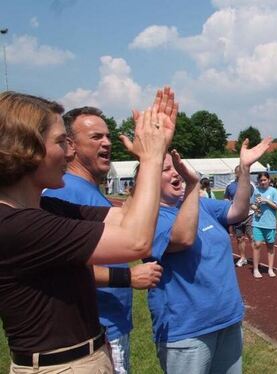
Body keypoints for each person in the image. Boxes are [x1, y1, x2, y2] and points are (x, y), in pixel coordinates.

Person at [0, 91, 173, 372]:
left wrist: (151, 154)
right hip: (62, 367)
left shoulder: (44, 208)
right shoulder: (15, 224)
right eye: (60, 142)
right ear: (27, 149)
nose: (69, 153)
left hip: (81, 358)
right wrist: (153, 159)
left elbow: (127, 216)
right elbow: (137, 241)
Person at [144, 137, 270, 374]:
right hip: (187, 332)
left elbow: (238, 210)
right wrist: (193, 186)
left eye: (177, 166)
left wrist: (244, 170)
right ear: (149, 179)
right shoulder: (150, 217)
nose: (177, 172)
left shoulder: (201, 205)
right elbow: (183, 238)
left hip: (227, 320)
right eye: (167, 169)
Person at [251, 171, 277, 278]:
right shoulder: (256, 191)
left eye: (264, 180)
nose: (263, 182)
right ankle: (255, 269)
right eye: (261, 180)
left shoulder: (273, 191)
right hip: (258, 222)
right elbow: (252, 205)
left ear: (269, 180)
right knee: (257, 244)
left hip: (270, 223)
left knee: (270, 246)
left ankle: (270, 269)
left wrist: (266, 200)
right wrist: (256, 207)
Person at [225, 165, 254, 267]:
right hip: (236, 216)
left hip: (249, 214)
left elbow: (254, 198)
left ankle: (255, 257)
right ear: (236, 173)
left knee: (252, 237)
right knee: (239, 238)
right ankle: (242, 257)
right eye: (239, 172)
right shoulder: (230, 186)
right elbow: (226, 199)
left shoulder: (250, 185)